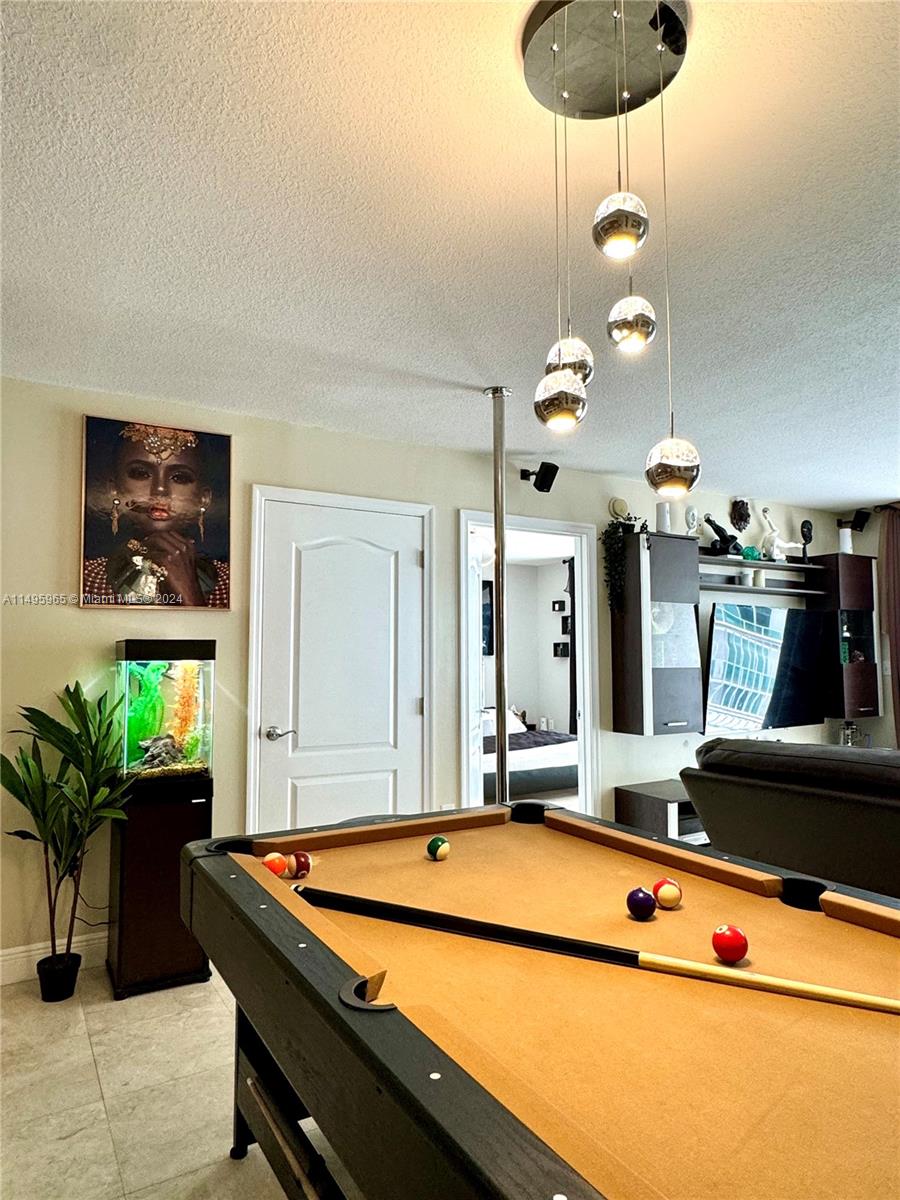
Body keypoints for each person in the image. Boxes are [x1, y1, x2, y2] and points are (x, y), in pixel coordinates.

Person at [82, 422, 229, 606]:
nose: (160, 490)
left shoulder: (231, 584)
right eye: (141, 473)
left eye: (179, 477)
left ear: (203, 498)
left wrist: (190, 595)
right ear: (114, 491)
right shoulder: (86, 579)